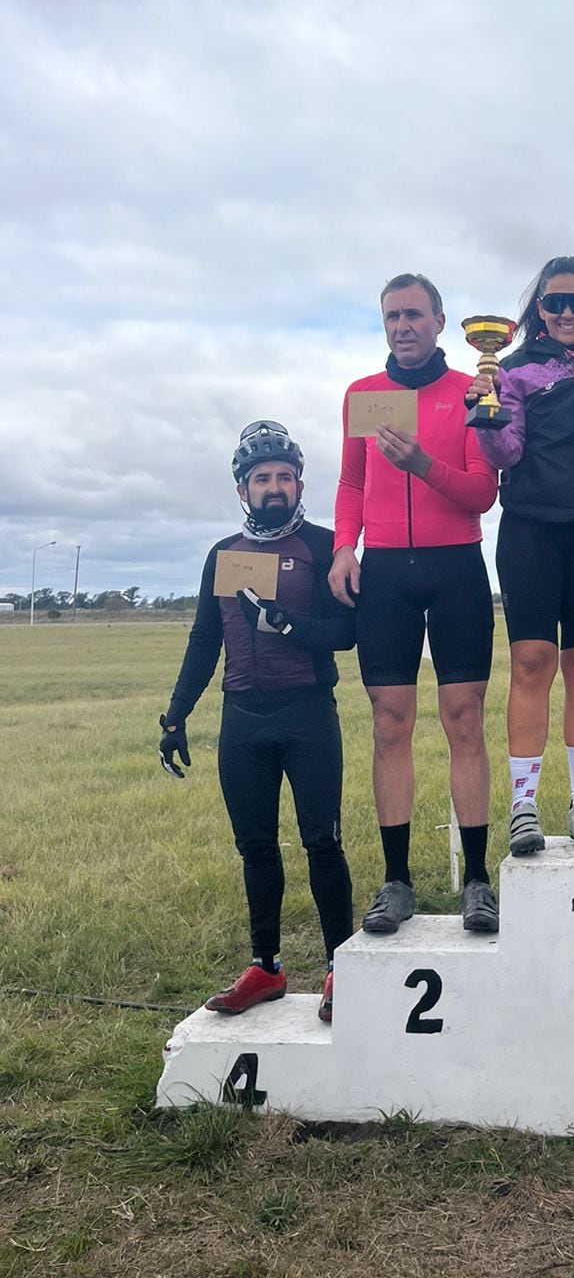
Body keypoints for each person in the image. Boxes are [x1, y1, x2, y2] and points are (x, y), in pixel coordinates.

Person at [158, 421, 355, 1023]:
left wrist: (288, 626)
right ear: (243, 489)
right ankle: (266, 967)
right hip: (242, 717)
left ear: (300, 484)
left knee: (322, 842)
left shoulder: (324, 547)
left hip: (307, 713)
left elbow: (347, 632)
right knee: (255, 848)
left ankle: (339, 968)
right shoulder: (223, 555)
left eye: (285, 478)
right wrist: (176, 715)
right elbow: (203, 638)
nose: (275, 488)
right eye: (262, 479)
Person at [329, 273, 500, 933]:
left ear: (438, 322)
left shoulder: (471, 392)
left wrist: (423, 463)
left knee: (464, 720)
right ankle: (396, 881)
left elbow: (484, 493)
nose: (402, 326)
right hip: (386, 575)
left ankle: (478, 880)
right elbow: (349, 483)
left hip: (455, 564)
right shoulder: (362, 396)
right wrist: (347, 547)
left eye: (413, 315)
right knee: (389, 725)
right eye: (391, 316)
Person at [469, 256, 574, 857]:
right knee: (533, 662)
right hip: (532, 530)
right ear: (538, 309)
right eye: (553, 302)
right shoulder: (512, 369)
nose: (565, 312)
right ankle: (524, 805)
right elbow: (506, 454)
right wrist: (484, 417)